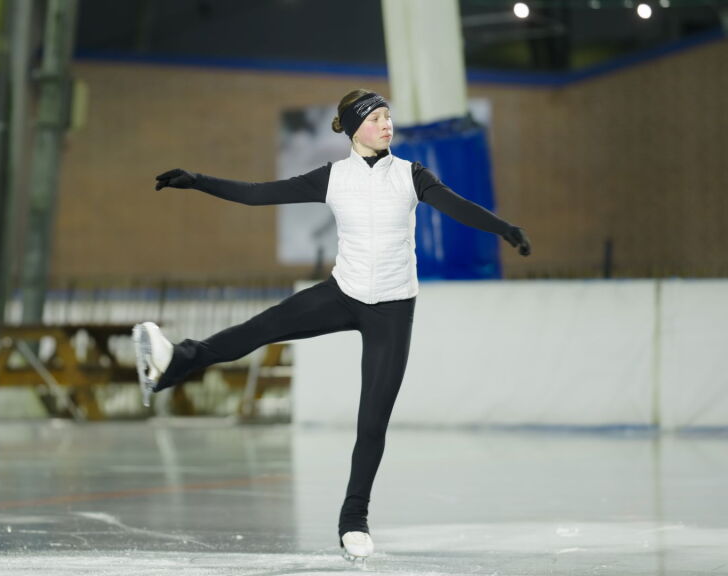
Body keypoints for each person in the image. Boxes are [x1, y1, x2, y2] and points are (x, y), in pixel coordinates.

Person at [132, 89, 531, 566]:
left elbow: (456, 205)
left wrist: (503, 228)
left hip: (392, 309)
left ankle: (353, 521)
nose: (387, 125)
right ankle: (174, 362)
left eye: (389, 117)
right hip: (341, 294)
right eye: (378, 118)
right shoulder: (333, 178)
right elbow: (260, 194)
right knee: (259, 328)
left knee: (372, 422)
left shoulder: (411, 175)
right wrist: (198, 181)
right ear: (355, 126)